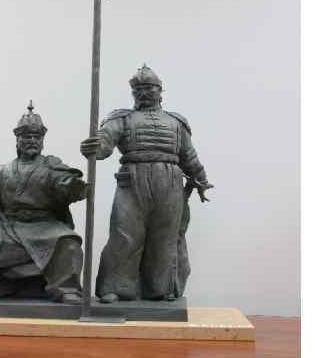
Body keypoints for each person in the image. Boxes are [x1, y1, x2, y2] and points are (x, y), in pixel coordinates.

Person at [80, 65, 214, 303]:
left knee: (165, 237)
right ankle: (115, 287)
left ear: (160, 91)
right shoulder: (122, 118)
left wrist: (201, 179)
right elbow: (105, 141)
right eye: (138, 89)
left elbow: (189, 156)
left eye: (149, 88)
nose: (143, 93)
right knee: (124, 233)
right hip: (132, 181)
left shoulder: (176, 122)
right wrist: (94, 147)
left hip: (169, 181)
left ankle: (161, 288)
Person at [0, 102, 87, 304]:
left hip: (44, 228)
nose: (32, 141)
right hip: (6, 228)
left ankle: (66, 289)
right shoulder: (2, 172)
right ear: (18, 140)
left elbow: (65, 184)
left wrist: (73, 187)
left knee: (69, 242)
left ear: (42, 141)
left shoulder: (51, 167)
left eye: (37, 137)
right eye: (27, 137)